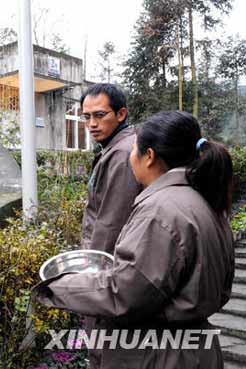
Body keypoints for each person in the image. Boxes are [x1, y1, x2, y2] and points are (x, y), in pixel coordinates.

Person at [35, 111, 235, 369]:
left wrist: (57, 286)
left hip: (158, 355)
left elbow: (126, 293)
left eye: (133, 149)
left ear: (149, 156)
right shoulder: (206, 201)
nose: (130, 156)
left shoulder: (160, 211)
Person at [79, 83, 142, 255]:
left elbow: (112, 222)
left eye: (100, 115)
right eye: (86, 117)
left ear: (121, 114)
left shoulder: (123, 154)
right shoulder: (114, 147)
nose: (92, 124)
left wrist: (94, 265)